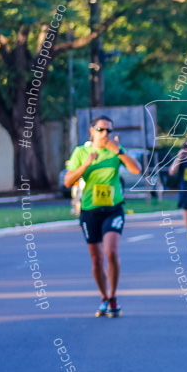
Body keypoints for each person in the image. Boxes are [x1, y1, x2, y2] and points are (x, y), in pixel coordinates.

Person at [64, 116, 142, 318]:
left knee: (110, 252)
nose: (105, 134)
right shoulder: (81, 152)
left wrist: (119, 151)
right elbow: (68, 181)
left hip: (113, 208)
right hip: (90, 210)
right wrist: (86, 164)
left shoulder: (116, 151)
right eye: (101, 130)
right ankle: (104, 296)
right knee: (97, 259)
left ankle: (113, 296)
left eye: (108, 130)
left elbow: (137, 169)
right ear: (92, 131)